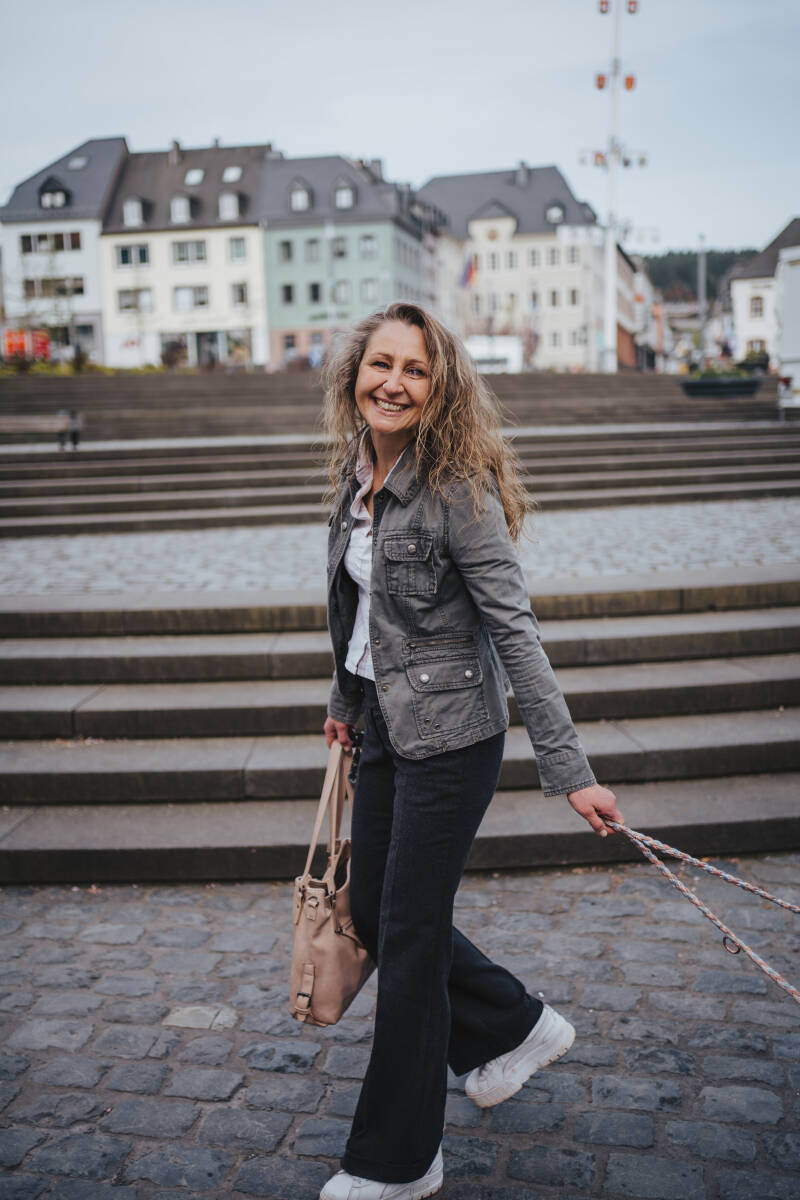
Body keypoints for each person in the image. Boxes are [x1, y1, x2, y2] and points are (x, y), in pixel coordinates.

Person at [320, 302, 623, 1200]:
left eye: (415, 370)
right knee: (372, 908)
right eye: (381, 364)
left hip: (453, 741)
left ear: (440, 386)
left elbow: (515, 631)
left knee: (410, 937)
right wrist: (345, 701)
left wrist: (570, 771)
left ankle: (398, 1162)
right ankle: (516, 1027)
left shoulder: (458, 487)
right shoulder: (356, 472)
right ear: (354, 374)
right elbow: (356, 609)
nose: (393, 383)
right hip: (384, 724)